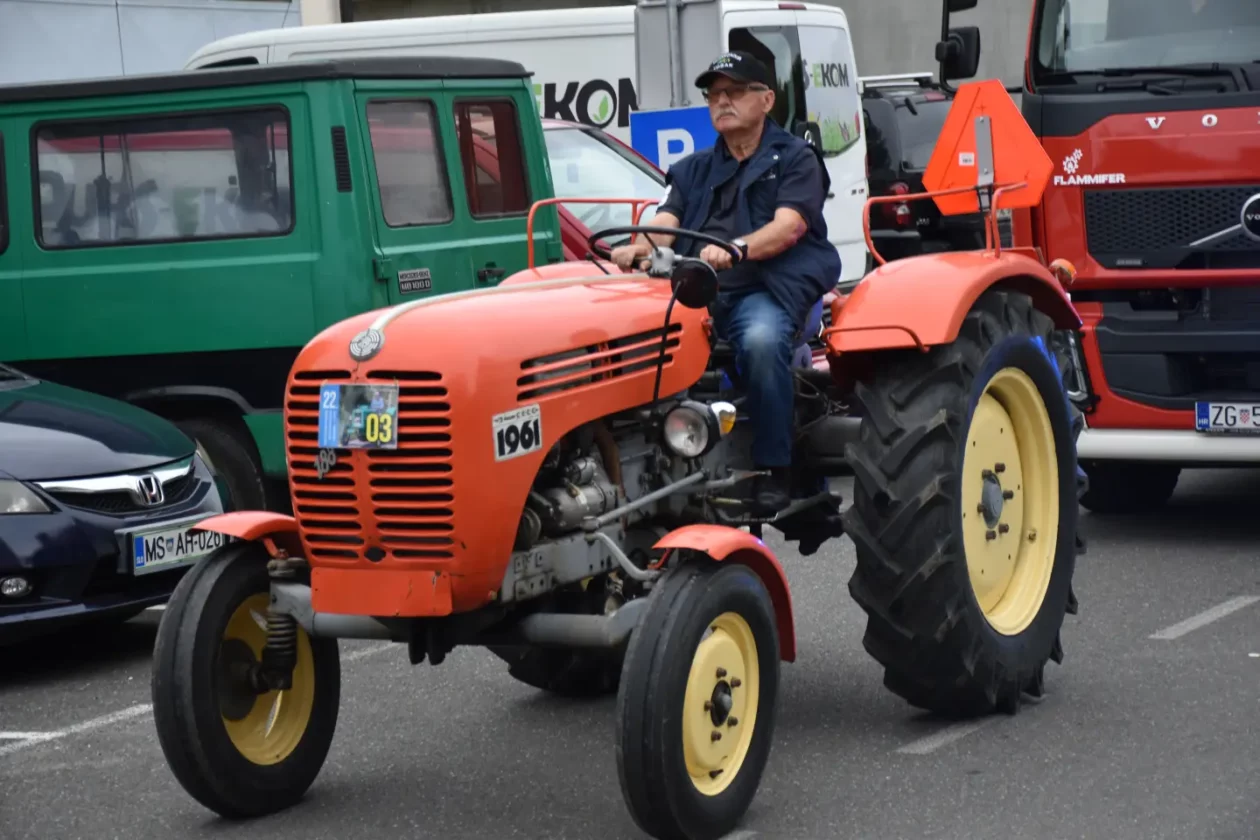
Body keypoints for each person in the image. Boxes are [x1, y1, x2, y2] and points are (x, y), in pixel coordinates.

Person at [610, 50, 841, 514]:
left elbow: (789, 226)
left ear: (766, 99)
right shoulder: (694, 167)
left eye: (734, 92)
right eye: (714, 94)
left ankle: (776, 468)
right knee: (624, 340)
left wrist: (738, 248)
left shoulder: (796, 159)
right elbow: (666, 222)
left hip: (766, 288)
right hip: (698, 291)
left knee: (759, 340)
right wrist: (641, 247)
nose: (722, 101)